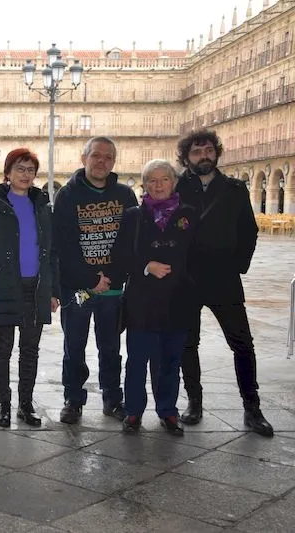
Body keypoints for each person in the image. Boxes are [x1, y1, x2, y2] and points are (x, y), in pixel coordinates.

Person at [175, 129, 273, 436]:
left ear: (216, 153)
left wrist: (238, 265)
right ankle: (194, 402)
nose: (203, 156)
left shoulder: (234, 189)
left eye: (208, 150)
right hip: (188, 278)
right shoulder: (176, 187)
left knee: (242, 343)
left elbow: (249, 230)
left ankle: (252, 408)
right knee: (187, 344)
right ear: (186, 158)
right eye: (196, 152)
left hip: (224, 278)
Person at [53, 137, 138, 424]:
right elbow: (64, 244)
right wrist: (90, 279)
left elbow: (131, 241)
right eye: (96, 155)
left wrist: (111, 278)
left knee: (111, 348)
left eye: (108, 157)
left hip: (112, 289)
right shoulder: (67, 195)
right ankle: (73, 400)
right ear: (84, 158)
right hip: (77, 288)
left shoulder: (125, 195)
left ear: (114, 162)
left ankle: (112, 399)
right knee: (74, 347)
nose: (102, 161)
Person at [0, 148, 59, 428]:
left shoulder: (42, 206)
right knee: (2, 349)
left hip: (35, 287)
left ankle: (25, 404)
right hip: (3, 286)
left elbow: (52, 252)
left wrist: (53, 291)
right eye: (20, 169)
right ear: (8, 173)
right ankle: (3, 404)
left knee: (30, 350)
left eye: (30, 170)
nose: (25, 174)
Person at [112, 160, 197, 435]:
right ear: (145, 184)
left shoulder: (189, 215)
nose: (158, 185)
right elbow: (121, 255)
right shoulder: (133, 216)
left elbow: (198, 255)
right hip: (142, 302)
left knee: (170, 361)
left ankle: (168, 411)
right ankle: (133, 412)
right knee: (137, 360)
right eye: (152, 180)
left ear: (174, 183)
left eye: (164, 179)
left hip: (177, 300)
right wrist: (147, 266)